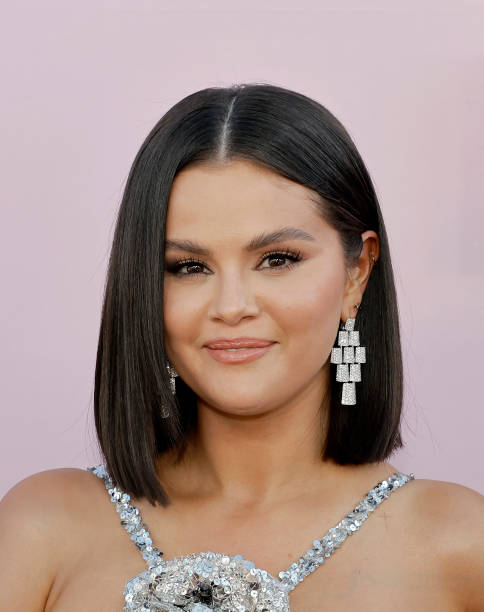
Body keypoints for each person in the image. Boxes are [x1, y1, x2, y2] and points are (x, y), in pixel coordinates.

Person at [1, 83, 483, 611]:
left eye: (277, 259)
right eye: (189, 267)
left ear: (357, 274)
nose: (231, 306)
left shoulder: (460, 546)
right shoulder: (41, 529)